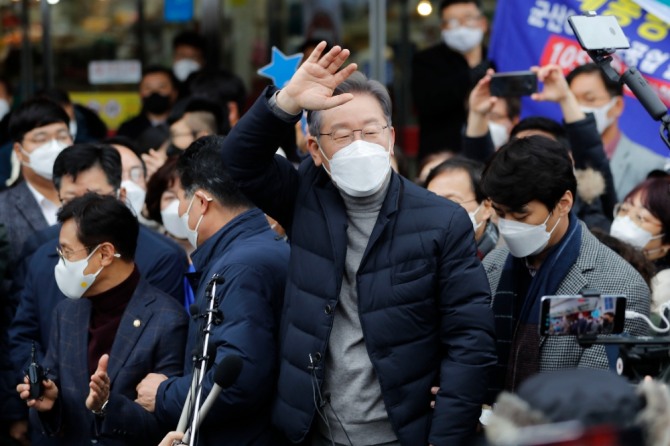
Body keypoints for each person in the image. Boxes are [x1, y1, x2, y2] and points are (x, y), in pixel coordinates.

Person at [221, 42, 496, 445]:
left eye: (370, 131)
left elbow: (470, 340)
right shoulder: (303, 196)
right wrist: (287, 102)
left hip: (402, 433)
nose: (359, 144)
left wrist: (445, 437)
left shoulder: (441, 220)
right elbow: (240, 159)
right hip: (314, 429)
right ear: (315, 150)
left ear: (390, 137)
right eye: (342, 134)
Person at [8, 143, 188, 444]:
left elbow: (166, 424)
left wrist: (107, 405)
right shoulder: (68, 312)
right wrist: (50, 403)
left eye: (67, 252)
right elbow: (60, 414)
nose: (60, 262)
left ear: (105, 254)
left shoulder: (167, 321)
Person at [134, 137, 290, 445]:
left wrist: (163, 395)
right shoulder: (260, 248)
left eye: (181, 198)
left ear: (202, 202)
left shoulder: (240, 267)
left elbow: (238, 381)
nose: (180, 210)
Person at [479, 135, 649, 403]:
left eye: (521, 215)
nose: (509, 226)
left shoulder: (616, 285)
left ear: (563, 203)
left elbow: (594, 397)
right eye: (500, 213)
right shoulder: (492, 266)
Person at [566, 63, 669, 200]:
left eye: (590, 99)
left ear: (617, 106)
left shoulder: (651, 168)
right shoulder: (559, 157)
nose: (578, 109)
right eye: (571, 102)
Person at [412, 0, 493, 158]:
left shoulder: (495, 60)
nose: (462, 27)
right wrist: (471, 73)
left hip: (491, 151)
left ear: (483, 23)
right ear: (443, 28)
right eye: (453, 22)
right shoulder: (426, 61)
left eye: (468, 19)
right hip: (442, 153)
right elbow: (426, 102)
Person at [608, 176, 670, 318]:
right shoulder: (605, 253)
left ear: (667, 242)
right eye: (624, 209)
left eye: (640, 217)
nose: (625, 220)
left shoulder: (663, 285)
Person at [424, 157, 498, 259]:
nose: (438, 213)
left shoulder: (506, 259)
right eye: (431, 204)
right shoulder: (419, 257)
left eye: (451, 202)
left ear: (486, 207)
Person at [116, 67, 179, 152]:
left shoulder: (184, 126)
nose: (155, 92)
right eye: (148, 88)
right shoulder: (127, 129)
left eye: (162, 87)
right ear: (140, 94)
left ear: (174, 92)